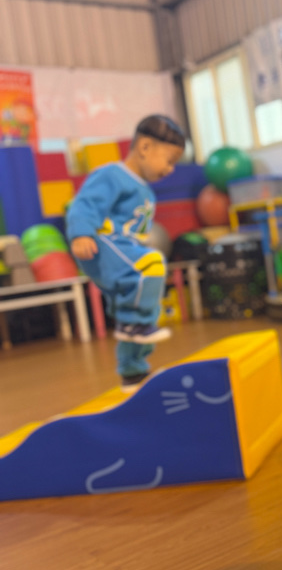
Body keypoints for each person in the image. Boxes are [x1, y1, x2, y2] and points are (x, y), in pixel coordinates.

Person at [67, 115, 186, 392]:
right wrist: (81, 232)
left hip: (122, 253)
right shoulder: (112, 175)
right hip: (100, 245)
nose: (170, 170)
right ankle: (135, 326)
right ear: (145, 147)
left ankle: (133, 372)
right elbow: (84, 204)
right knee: (152, 264)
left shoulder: (147, 193)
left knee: (144, 307)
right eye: (169, 160)